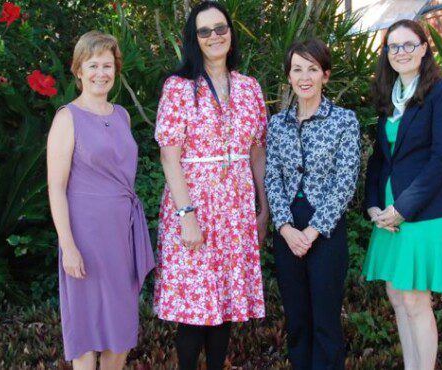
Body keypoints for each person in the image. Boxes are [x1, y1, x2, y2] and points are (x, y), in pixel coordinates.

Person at [153, 2, 268, 369]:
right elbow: (169, 157)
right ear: (194, 39)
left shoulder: (250, 88)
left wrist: (263, 208)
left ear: (230, 33)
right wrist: (186, 215)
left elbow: (257, 152)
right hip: (195, 208)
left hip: (236, 212)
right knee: (193, 308)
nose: (214, 36)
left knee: (226, 306)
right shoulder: (179, 88)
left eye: (220, 28)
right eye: (205, 31)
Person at [47, 31, 155, 369]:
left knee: (121, 326)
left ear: (116, 70)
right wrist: (68, 245)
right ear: (79, 70)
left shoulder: (121, 114)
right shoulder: (67, 117)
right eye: (92, 65)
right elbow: (56, 186)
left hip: (121, 233)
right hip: (85, 235)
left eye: (107, 65)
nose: (100, 73)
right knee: (86, 324)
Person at [362, 19, 442, 370]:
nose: (401, 52)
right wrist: (373, 204)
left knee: (415, 298)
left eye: (408, 45)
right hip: (387, 213)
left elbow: (440, 159)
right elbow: (379, 158)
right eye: (393, 46)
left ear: (423, 48)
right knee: (395, 295)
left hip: (421, 212)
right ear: (386, 53)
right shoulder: (389, 97)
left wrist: (402, 208)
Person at [265, 39, 361, 370]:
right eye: (297, 69)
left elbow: (345, 179)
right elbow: (272, 178)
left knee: (325, 320)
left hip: (327, 230)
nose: (304, 76)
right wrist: (285, 227)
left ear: (325, 75)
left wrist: (315, 230)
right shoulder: (277, 124)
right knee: (297, 320)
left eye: (312, 69)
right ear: (289, 76)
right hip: (288, 229)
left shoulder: (344, 120)